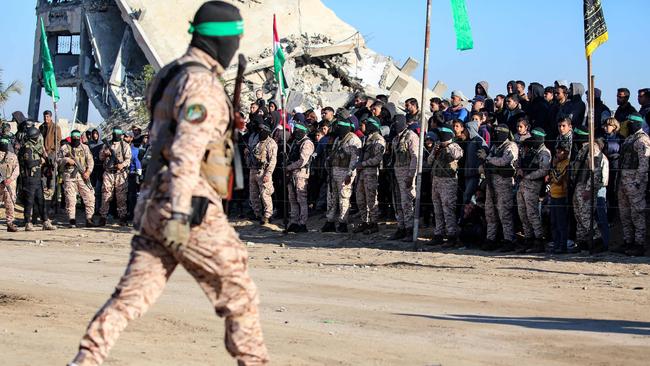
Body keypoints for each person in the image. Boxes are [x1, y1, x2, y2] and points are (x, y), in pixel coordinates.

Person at [69, 3, 269, 365]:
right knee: (239, 294)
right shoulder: (203, 83)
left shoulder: (170, 74)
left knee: (130, 297)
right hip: (188, 204)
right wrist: (180, 213)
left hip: (151, 202)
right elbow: (185, 151)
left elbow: (169, 131)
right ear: (225, 40)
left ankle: (86, 358)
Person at [570, 126, 609, 252]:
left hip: (586, 187)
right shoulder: (583, 149)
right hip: (578, 185)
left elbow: (595, 171)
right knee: (578, 215)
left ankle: (598, 240)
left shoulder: (593, 149)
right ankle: (582, 241)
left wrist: (588, 189)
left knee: (586, 215)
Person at [479, 125, 518, 250]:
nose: (495, 135)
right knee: (490, 213)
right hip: (491, 183)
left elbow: (504, 161)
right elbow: (487, 163)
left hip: (504, 184)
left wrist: (488, 158)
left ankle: (509, 240)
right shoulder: (495, 146)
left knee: (504, 213)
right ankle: (491, 239)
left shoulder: (511, 146)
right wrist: (487, 161)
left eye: (498, 133)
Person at [616, 113, 650, 256]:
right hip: (624, 181)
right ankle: (628, 241)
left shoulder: (643, 140)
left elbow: (644, 164)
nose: (628, 125)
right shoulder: (630, 139)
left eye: (630, 123)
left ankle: (639, 244)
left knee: (637, 213)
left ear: (637, 123)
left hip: (634, 181)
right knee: (625, 214)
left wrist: (637, 181)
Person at [322, 118, 361, 233]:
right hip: (334, 172)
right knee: (331, 198)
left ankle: (343, 223)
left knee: (344, 198)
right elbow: (333, 154)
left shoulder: (354, 140)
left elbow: (354, 160)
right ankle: (330, 221)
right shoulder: (338, 139)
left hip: (345, 173)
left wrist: (350, 174)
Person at [515, 128, 551, 253]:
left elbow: (543, 170)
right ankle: (528, 238)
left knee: (532, 214)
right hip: (523, 185)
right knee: (522, 213)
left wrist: (528, 176)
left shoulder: (544, 152)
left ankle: (539, 239)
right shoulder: (531, 149)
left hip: (533, 185)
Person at [428, 125, 463, 247]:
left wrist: (447, 147)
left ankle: (451, 235)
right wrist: (435, 150)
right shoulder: (437, 146)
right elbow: (429, 161)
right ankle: (439, 234)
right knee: (437, 210)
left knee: (448, 209)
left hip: (448, 181)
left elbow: (457, 156)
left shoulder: (454, 146)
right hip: (436, 180)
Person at [18, 127, 56, 231]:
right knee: (29, 202)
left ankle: (45, 222)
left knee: (41, 201)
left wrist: (48, 162)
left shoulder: (37, 147)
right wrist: (40, 161)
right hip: (29, 179)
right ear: (35, 137)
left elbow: (45, 159)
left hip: (38, 178)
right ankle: (27, 223)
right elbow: (29, 163)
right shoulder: (27, 148)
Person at [56, 130, 95, 228]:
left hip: (82, 177)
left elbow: (90, 161)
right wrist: (67, 160)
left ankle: (89, 219)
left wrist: (88, 172)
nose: (76, 139)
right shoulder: (65, 148)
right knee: (70, 199)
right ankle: (72, 220)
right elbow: (57, 160)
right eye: (74, 137)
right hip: (69, 177)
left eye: (78, 137)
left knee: (89, 197)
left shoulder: (85, 147)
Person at [354, 117, 386, 235]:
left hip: (371, 172)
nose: (364, 127)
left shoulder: (378, 140)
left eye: (366, 125)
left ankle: (374, 223)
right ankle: (365, 221)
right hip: (362, 172)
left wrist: (363, 164)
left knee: (371, 199)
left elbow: (378, 158)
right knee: (360, 198)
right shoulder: (367, 139)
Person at [389, 115, 419, 240]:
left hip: (406, 175)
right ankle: (401, 227)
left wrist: (411, 176)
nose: (396, 125)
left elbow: (415, 157)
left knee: (407, 203)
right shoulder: (396, 138)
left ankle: (409, 229)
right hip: (396, 174)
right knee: (397, 202)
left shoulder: (411, 136)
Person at [97, 127, 132, 226]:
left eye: (118, 133)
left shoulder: (125, 145)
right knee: (106, 195)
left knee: (121, 197)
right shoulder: (106, 145)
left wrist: (122, 165)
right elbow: (100, 157)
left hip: (120, 174)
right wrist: (105, 154)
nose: (116, 134)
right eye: (115, 132)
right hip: (109, 172)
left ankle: (122, 218)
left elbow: (128, 160)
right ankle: (103, 217)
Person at [285, 122, 314, 233]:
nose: (295, 132)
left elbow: (302, 161)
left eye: (298, 130)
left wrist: (289, 167)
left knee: (301, 199)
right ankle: (294, 221)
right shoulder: (296, 142)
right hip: (292, 173)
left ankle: (302, 223)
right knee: (292, 199)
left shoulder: (307, 143)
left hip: (300, 173)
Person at [249, 123, 277, 225]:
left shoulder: (271, 143)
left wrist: (268, 174)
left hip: (263, 171)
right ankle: (257, 213)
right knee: (253, 195)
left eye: (262, 130)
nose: (260, 132)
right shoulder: (257, 140)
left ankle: (268, 215)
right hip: (253, 170)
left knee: (265, 194)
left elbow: (273, 160)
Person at [549, 146, 570, 253]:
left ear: (566, 152)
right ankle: (556, 244)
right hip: (553, 194)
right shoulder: (558, 163)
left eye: (560, 152)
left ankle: (563, 246)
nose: (557, 154)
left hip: (561, 196)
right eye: (556, 152)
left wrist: (553, 167)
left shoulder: (567, 164)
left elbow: (557, 179)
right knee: (554, 222)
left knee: (561, 223)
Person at [38, 110, 62, 194]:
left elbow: (58, 141)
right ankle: (43, 187)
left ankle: (51, 189)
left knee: (52, 170)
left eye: (47, 116)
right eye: (45, 116)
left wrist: (54, 152)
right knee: (43, 170)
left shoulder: (56, 127)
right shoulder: (41, 127)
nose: (46, 118)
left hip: (52, 152)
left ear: (51, 117)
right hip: (42, 152)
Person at [0, 137, 19, 232]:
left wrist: (10, 179)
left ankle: (10, 223)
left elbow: (17, 169)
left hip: (9, 184)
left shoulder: (12, 156)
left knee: (10, 203)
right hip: (1, 182)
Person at [125, 131, 142, 221]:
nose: (124, 138)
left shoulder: (135, 150)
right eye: (124, 136)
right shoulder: (119, 148)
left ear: (131, 138)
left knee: (132, 196)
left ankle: (132, 214)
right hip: (119, 175)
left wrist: (138, 174)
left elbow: (137, 162)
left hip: (131, 175)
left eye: (127, 136)